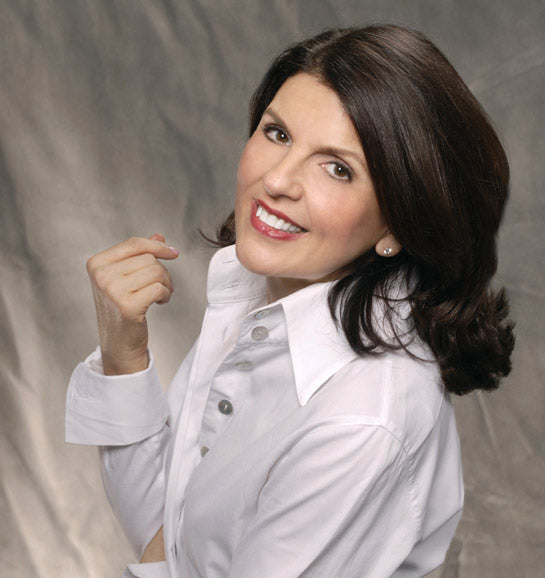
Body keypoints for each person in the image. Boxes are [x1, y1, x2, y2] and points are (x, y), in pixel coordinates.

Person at [66, 24, 514, 578]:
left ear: (398, 220)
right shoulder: (265, 295)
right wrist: (124, 356)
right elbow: (170, 538)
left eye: (338, 168)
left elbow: (164, 557)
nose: (277, 180)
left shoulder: (361, 419)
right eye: (277, 133)